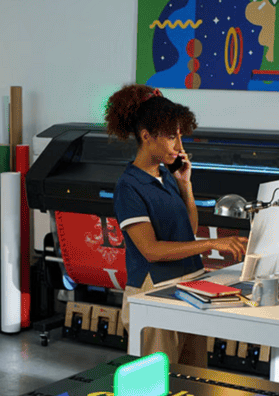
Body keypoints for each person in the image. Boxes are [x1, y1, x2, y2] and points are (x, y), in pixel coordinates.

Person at [104, 84, 248, 367]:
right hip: (155, 296)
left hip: (190, 289)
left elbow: (189, 229)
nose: (180, 147)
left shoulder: (166, 176)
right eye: (172, 137)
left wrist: (185, 184)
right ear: (146, 137)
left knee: (194, 383)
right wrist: (212, 243)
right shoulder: (129, 186)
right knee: (153, 391)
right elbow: (151, 251)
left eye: (180, 136)